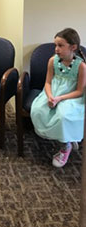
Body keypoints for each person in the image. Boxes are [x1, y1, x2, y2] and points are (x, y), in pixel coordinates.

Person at [31, 28, 86, 168]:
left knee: (63, 116)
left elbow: (79, 91)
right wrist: (50, 96)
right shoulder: (52, 61)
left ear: (73, 47)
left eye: (60, 46)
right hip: (53, 93)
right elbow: (48, 82)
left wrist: (60, 99)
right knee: (38, 110)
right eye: (55, 45)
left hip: (71, 96)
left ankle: (66, 146)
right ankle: (68, 137)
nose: (56, 49)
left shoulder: (81, 67)